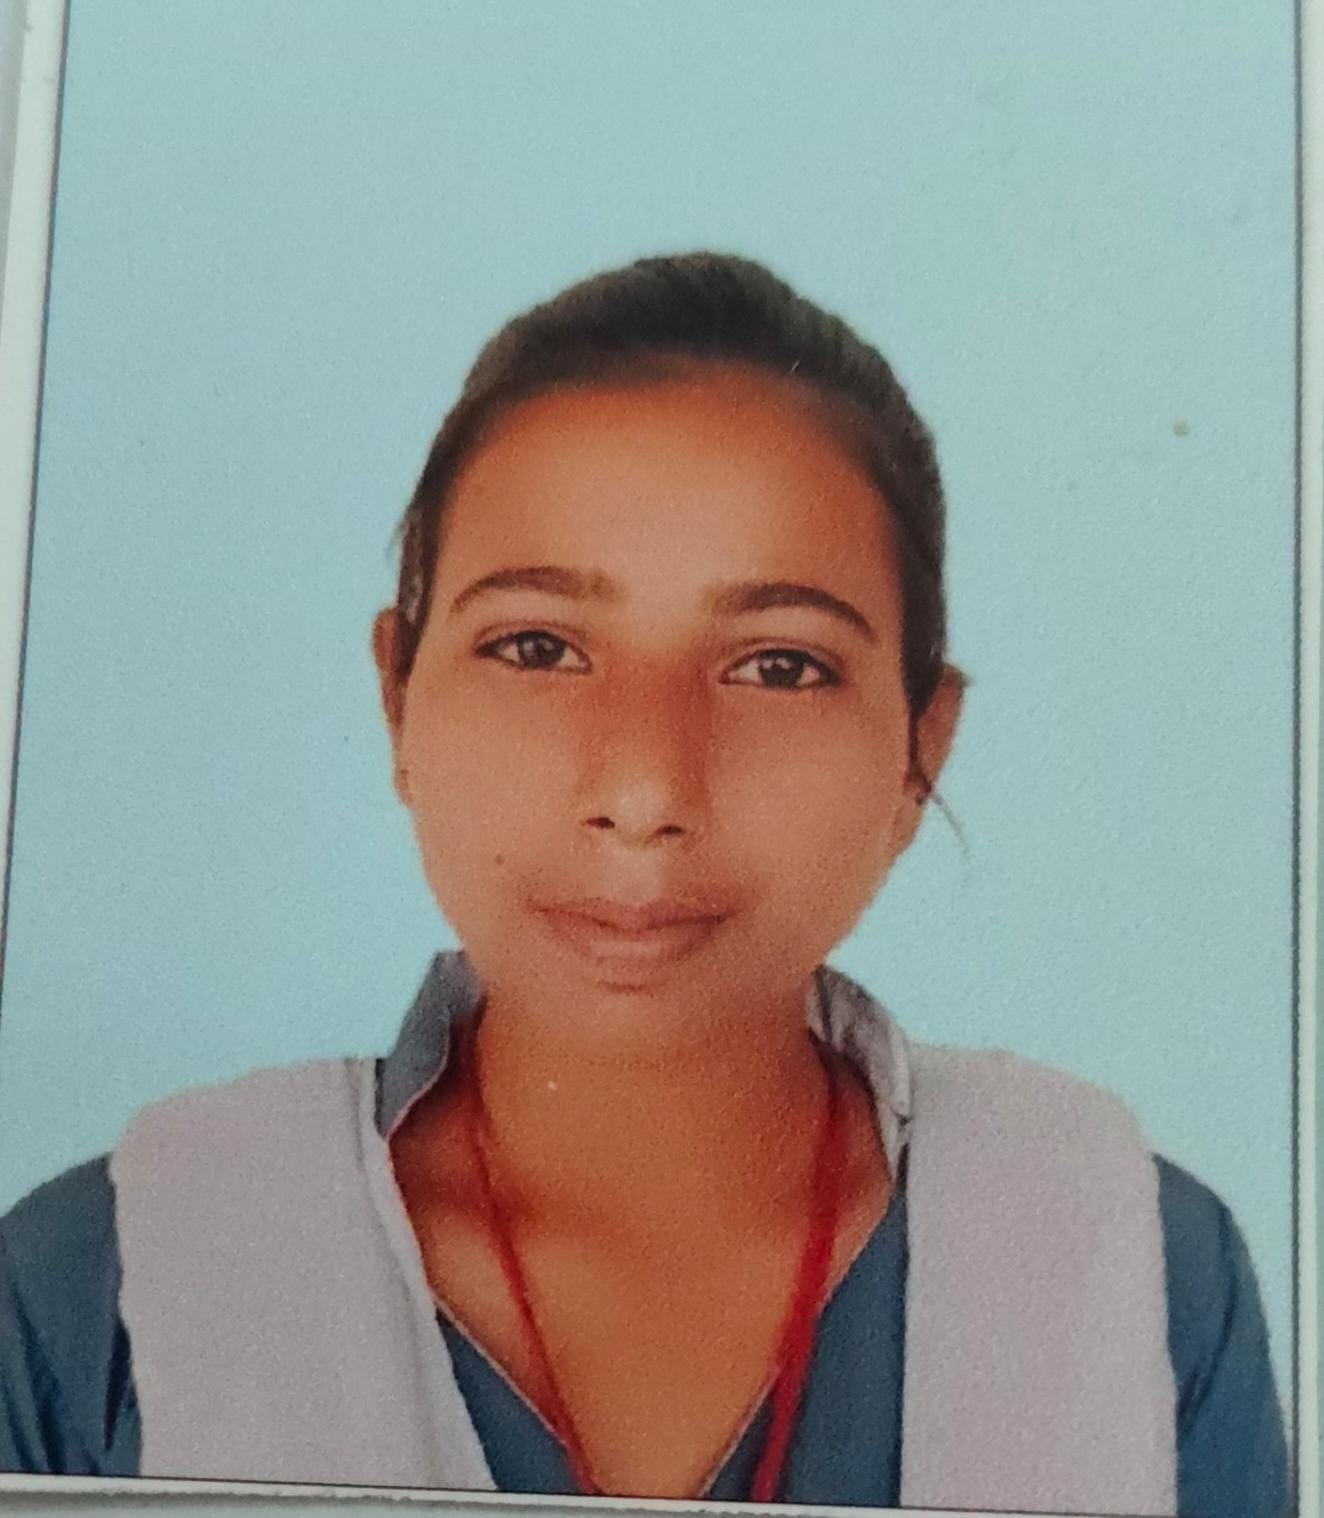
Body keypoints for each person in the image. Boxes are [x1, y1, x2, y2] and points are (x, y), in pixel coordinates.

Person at [0, 253, 1289, 1515]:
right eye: (538, 646)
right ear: (397, 701)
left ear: (920, 751)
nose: (644, 789)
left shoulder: (1129, 1261)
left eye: (778, 665)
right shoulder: (108, 1280)